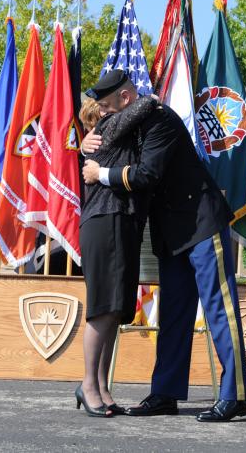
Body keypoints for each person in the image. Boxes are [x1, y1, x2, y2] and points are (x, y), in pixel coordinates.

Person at [82, 69, 246, 422]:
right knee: (174, 314)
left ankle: (234, 395)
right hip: (170, 234)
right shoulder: (127, 127)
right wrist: (85, 142)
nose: (103, 115)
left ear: (126, 100)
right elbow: (99, 146)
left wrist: (102, 174)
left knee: (220, 310)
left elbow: (147, 175)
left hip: (200, 222)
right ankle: (166, 392)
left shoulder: (158, 120)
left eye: (106, 107)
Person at [76, 89, 157, 418]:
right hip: (104, 223)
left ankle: (102, 386)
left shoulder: (113, 136)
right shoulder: (107, 129)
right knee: (102, 310)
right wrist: (127, 100)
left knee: (115, 312)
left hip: (121, 224)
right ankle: (88, 385)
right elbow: (148, 103)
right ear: (105, 111)